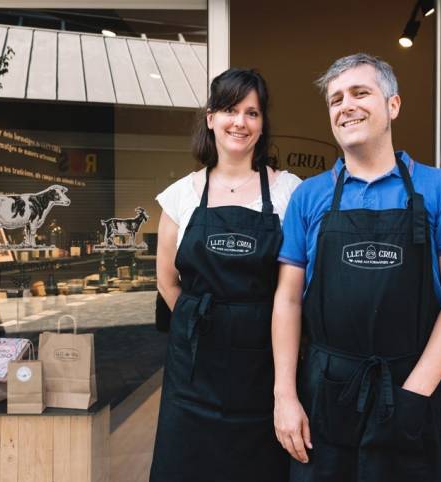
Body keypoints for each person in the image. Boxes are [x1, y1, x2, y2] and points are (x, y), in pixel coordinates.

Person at [272, 53, 441, 482]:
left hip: (408, 386)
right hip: (323, 396)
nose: (345, 105)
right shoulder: (309, 197)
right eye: (335, 99)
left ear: (393, 105)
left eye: (360, 93)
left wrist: (415, 393)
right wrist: (285, 396)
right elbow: (288, 300)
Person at [150, 68, 301, 482]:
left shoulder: (289, 191)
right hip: (194, 369)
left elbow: (298, 287)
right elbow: (167, 279)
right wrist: (199, 320)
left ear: (262, 123)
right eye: (230, 110)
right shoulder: (181, 195)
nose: (241, 122)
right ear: (211, 117)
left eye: (252, 113)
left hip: (263, 366)